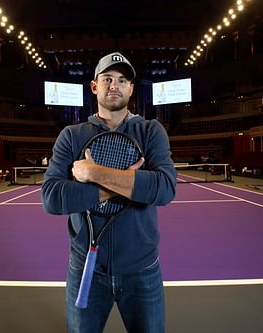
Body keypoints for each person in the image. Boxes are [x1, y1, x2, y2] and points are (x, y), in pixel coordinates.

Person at [41, 52, 177, 333]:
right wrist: (130, 182)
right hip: (85, 271)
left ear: (130, 89)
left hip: (142, 270)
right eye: (107, 79)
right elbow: (52, 198)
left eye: (122, 79)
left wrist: (93, 174)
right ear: (95, 86)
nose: (114, 85)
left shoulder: (151, 131)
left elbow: (164, 189)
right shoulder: (71, 135)